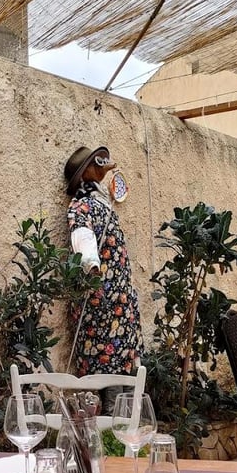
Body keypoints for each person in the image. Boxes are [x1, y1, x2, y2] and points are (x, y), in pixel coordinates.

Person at [63, 145, 143, 406]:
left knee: (123, 358)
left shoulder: (102, 203)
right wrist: (91, 264)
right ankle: (112, 418)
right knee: (106, 361)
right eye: (95, 165)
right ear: (84, 173)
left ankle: (126, 417)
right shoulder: (81, 206)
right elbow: (82, 236)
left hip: (120, 299)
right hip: (101, 300)